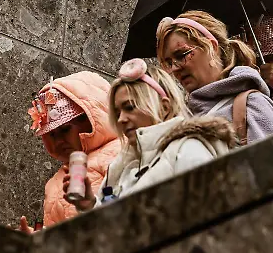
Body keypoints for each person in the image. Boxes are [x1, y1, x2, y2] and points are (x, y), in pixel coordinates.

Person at [63, 58, 236, 211]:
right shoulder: (120, 167)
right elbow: (112, 234)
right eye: (117, 112)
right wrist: (91, 205)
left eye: (130, 107)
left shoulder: (188, 149)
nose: (121, 119)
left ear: (164, 107)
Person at [156, 10, 273, 144]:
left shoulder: (252, 105)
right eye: (169, 63)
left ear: (212, 47)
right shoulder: (182, 118)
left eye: (182, 55)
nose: (175, 68)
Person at [16, 71, 121, 232]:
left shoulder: (121, 153)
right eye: (51, 134)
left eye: (65, 130)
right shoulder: (54, 183)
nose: (57, 141)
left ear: (92, 119)